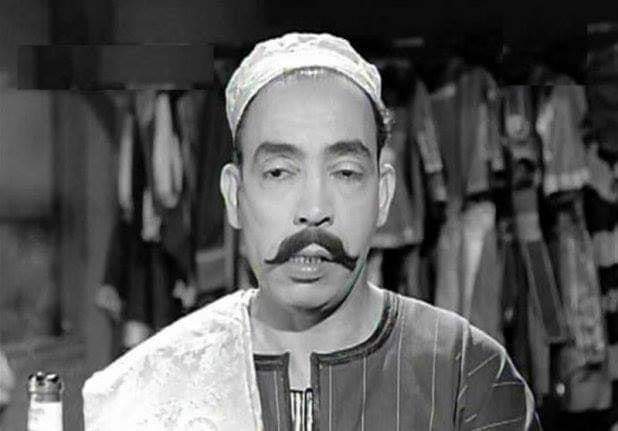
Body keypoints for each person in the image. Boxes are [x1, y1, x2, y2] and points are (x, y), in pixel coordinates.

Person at [83, 32, 540, 430]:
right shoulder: (152, 387)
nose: (314, 210)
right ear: (234, 196)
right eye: (279, 173)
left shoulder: (468, 375)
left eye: (345, 173)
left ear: (383, 195)